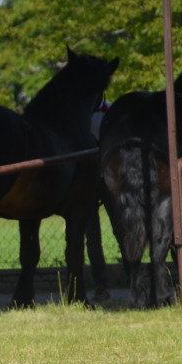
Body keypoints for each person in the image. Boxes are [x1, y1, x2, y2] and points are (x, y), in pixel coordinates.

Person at [86, 96, 111, 302]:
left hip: (111, 177)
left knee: (122, 230)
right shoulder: (80, 114)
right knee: (92, 237)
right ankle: (101, 284)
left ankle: (133, 280)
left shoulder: (112, 111)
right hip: (88, 179)